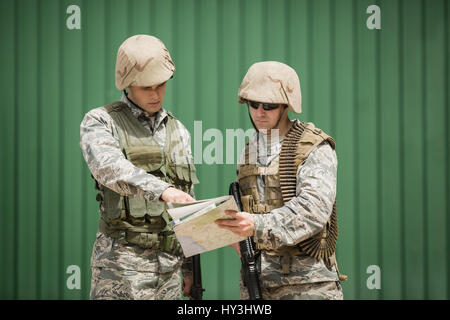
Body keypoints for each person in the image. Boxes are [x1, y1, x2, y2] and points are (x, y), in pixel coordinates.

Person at [80, 34, 199, 300]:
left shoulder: (178, 131)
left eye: (161, 85)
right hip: (121, 267)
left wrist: (191, 269)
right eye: (147, 87)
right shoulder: (100, 121)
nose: (156, 94)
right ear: (127, 85)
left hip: (169, 269)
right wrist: (164, 190)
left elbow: (187, 201)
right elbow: (109, 168)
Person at [216, 61, 345, 300]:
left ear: (286, 106)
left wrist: (256, 225)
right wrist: (235, 233)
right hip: (256, 281)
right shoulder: (250, 149)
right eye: (253, 104)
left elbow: (314, 210)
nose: (260, 112)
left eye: (269, 105)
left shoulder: (313, 146)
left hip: (307, 286)